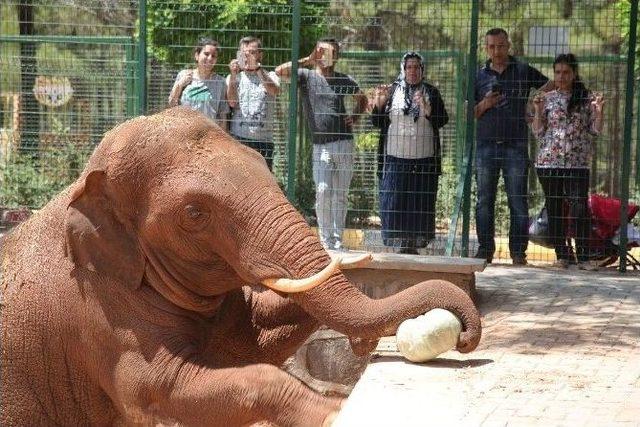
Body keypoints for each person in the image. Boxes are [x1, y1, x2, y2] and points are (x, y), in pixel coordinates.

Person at [275, 38, 368, 251]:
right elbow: (280, 71)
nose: (326, 55)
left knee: (340, 194)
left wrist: (355, 117)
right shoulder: (305, 76)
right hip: (321, 146)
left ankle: (337, 241)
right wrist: (308, 59)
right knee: (323, 190)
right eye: (322, 51)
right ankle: (325, 241)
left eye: (331, 52)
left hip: (344, 143)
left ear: (336, 57)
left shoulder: (344, 80)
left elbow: (362, 99)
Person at [474, 28, 551, 265]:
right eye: (491, 46)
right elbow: (471, 113)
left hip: (516, 146)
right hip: (486, 146)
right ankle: (485, 250)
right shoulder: (478, 75)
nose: (496, 51)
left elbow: (550, 85)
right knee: (484, 201)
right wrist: (485, 103)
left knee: (518, 199)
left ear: (508, 46)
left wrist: (534, 104)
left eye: (500, 46)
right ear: (486, 48)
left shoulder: (523, 70)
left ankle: (518, 252)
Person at [531, 53, 604, 271]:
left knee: (579, 208)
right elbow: (537, 131)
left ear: (574, 74)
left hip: (577, 163)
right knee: (555, 209)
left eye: (566, 72)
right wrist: (537, 110)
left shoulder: (586, 97)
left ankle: (583, 257)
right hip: (548, 162)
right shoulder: (546, 98)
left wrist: (599, 112)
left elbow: (595, 130)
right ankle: (562, 255)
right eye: (558, 72)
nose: (561, 77)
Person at [371, 52, 449, 254]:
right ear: (403, 70)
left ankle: (415, 242)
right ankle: (400, 242)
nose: (413, 71)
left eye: (416, 67)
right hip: (396, 157)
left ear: (422, 70)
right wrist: (379, 104)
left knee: (420, 201)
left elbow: (441, 121)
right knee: (395, 200)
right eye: (409, 67)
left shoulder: (431, 91)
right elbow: (378, 123)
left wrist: (425, 106)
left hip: (423, 158)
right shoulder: (393, 90)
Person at [227, 36, 281, 170]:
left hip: (263, 141)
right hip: (239, 139)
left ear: (260, 55)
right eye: (244, 53)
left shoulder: (271, 75)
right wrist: (233, 75)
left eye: (252, 53)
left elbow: (274, 91)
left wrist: (257, 69)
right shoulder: (233, 78)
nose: (247, 57)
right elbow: (232, 102)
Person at [168, 37, 229, 129]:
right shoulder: (184, 75)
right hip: (185, 131)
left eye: (213, 56)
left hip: (209, 134)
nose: (210, 58)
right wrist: (180, 85)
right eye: (206, 54)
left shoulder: (220, 82)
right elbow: (171, 103)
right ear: (197, 55)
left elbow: (222, 114)